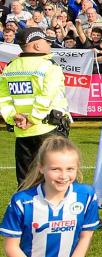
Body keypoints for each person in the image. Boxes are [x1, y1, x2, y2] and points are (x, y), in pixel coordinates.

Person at [0, 28, 71, 182]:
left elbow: (3, 98)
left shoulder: (10, 67)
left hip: (22, 132)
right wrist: (33, 118)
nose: (49, 45)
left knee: (26, 183)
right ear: (37, 45)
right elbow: (46, 97)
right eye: (47, 41)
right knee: (59, 180)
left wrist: (13, 117)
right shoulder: (48, 66)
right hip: (49, 130)